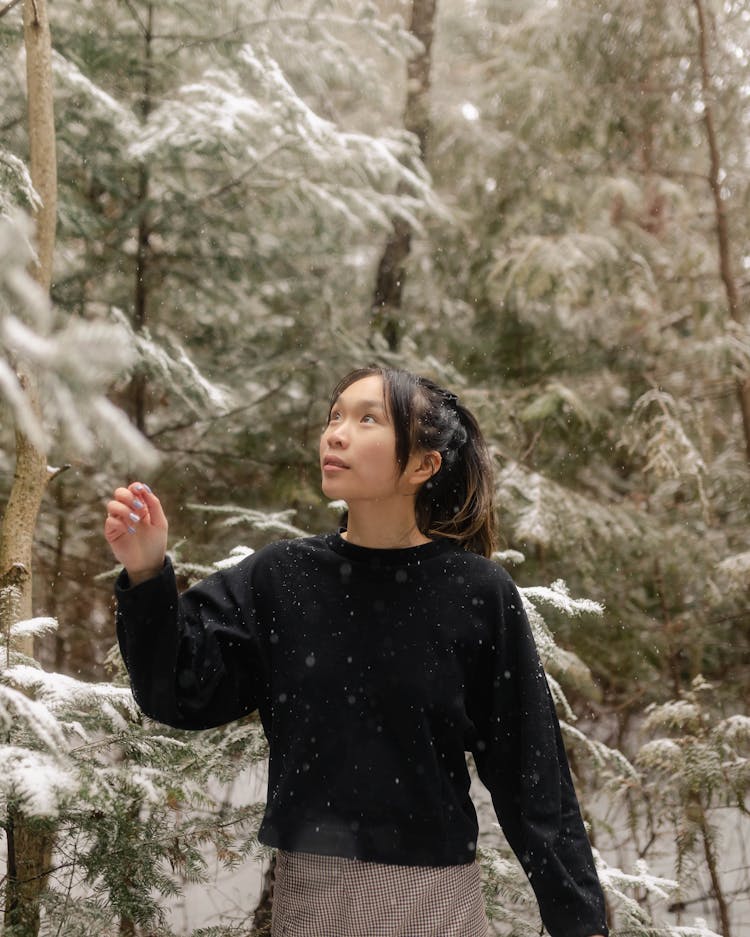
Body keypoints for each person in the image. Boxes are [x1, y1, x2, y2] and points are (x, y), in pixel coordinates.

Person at [106, 365, 609, 937]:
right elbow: (181, 692)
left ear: (423, 464)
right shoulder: (282, 578)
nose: (336, 433)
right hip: (309, 896)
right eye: (334, 417)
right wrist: (146, 574)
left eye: (367, 419)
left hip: (432, 901)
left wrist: (580, 922)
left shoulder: (476, 592)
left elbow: (532, 775)